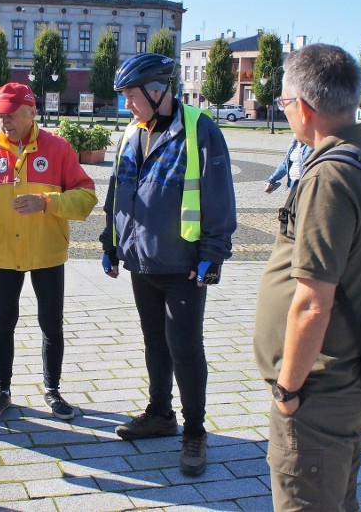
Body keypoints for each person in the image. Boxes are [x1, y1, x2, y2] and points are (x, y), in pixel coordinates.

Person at [253, 44, 361, 510]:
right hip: (353, 375)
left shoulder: (330, 174)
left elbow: (313, 301)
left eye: (282, 102)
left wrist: (288, 391)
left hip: (319, 388)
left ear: (305, 107)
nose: (284, 111)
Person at [100, 53, 237, 476]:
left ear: (158, 91)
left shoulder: (199, 130)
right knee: (154, 342)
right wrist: (110, 241)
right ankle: (160, 413)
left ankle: (194, 431)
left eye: (132, 95)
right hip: (142, 261)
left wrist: (213, 253)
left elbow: (217, 194)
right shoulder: (131, 132)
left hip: (184, 265)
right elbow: (116, 190)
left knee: (185, 346)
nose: (127, 104)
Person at [0, 82, 96, 422]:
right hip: (3, 253)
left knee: (51, 324)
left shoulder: (58, 148)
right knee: (3, 322)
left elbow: (86, 197)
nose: (4, 122)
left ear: (31, 113)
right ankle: (2, 392)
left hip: (47, 253)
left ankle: (53, 390)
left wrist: (47, 203)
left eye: (10, 115)